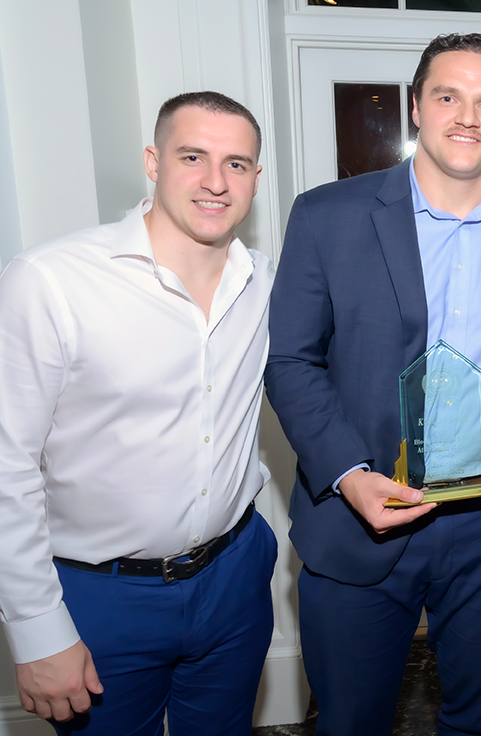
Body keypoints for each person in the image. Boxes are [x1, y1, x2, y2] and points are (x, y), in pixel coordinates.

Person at [264, 33, 481, 735]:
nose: (467, 116)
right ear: (415, 107)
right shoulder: (327, 217)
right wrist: (347, 474)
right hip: (362, 509)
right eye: (448, 96)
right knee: (351, 720)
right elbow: (289, 361)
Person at [0, 91, 277, 735]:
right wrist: (37, 628)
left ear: (256, 179)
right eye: (193, 156)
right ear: (153, 161)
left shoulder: (264, 280)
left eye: (237, 164)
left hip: (234, 575)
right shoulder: (50, 282)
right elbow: (6, 465)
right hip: (100, 595)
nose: (216, 181)